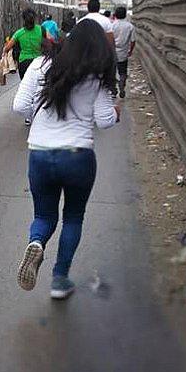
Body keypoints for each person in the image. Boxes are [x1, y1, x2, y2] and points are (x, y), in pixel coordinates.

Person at [12, 19, 120, 299]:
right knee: (73, 217)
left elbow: (19, 106)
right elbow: (105, 121)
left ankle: (36, 242)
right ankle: (59, 280)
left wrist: (41, 109)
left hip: (40, 153)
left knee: (44, 215)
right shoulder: (98, 74)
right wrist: (117, 110)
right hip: (78, 156)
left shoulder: (39, 65)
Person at [4, 8, 49, 126]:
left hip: (24, 63)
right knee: (40, 87)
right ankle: (39, 111)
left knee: (28, 88)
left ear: (23, 19)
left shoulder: (19, 33)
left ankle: (28, 117)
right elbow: (51, 41)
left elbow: (7, 48)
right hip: (39, 62)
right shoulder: (41, 30)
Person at [112, 5, 135, 97]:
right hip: (123, 53)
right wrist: (130, 51)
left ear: (116, 15)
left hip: (113, 53)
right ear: (125, 15)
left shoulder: (112, 25)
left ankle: (113, 89)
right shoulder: (130, 26)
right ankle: (122, 85)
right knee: (122, 72)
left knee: (112, 71)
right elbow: (133, 41)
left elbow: (109, 39)